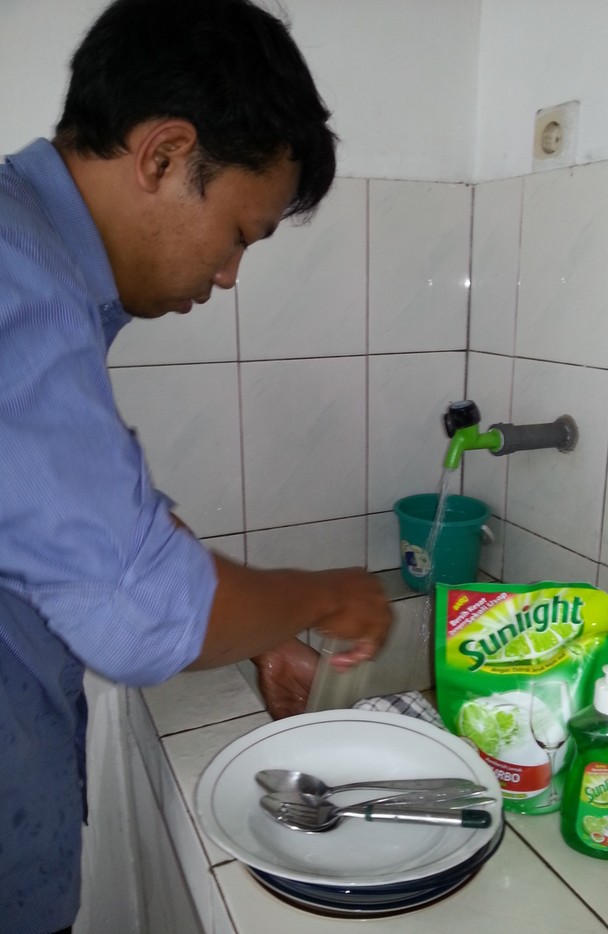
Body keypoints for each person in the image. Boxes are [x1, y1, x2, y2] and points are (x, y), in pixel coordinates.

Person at [0, 1, 393, 931]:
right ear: (166, 155)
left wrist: (260, 632)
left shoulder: (39, 266)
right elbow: (137, 609)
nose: (226, 277)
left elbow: (91, 521)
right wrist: (327, 595)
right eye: (241, 235)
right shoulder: (22, 285)